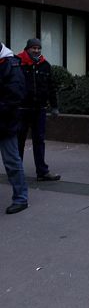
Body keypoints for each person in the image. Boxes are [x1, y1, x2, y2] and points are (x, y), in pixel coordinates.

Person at [17, 38, 61, 181]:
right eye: (33, 48)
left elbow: (51, 87)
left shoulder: (45, 66)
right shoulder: (18, 63)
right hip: (21, 109)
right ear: (27, 48)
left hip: (39, 109)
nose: (36, 51)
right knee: (19, 141)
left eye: (38, 48)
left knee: (39, 140)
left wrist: (54, 106)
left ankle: (42, 172)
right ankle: (16, 171)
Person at [0, 42, 29, 214]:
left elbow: (16, 94)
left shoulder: (11, 64)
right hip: (6, 120)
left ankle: (21, 198)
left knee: (11, 161)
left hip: (5, 122)